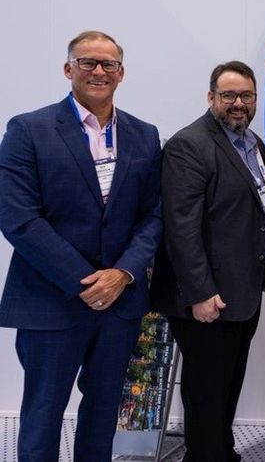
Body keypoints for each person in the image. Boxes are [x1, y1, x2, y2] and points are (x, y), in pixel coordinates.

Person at [0, 30, 162, 462]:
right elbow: (18, 217)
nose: (98, 71)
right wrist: (86, 281)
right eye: (87, 62)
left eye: (108, 64)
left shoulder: (144, 135)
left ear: (121, 73)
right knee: (43, 415)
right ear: (67, 68)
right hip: (50, 302)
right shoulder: (28, 130)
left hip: (120, 305)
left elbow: (154, 215)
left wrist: (122, 273)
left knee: (103, 413)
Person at [150, 60, 265, 462]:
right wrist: (201, 292)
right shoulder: (188, 146)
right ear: (210, 97)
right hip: (206, 299)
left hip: (242, 292)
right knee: (205, 393)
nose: (238, 103)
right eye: (228, 95)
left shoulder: (252, 143)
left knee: (226, 386)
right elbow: (181, 228)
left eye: (246, 96)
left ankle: (221, 453)